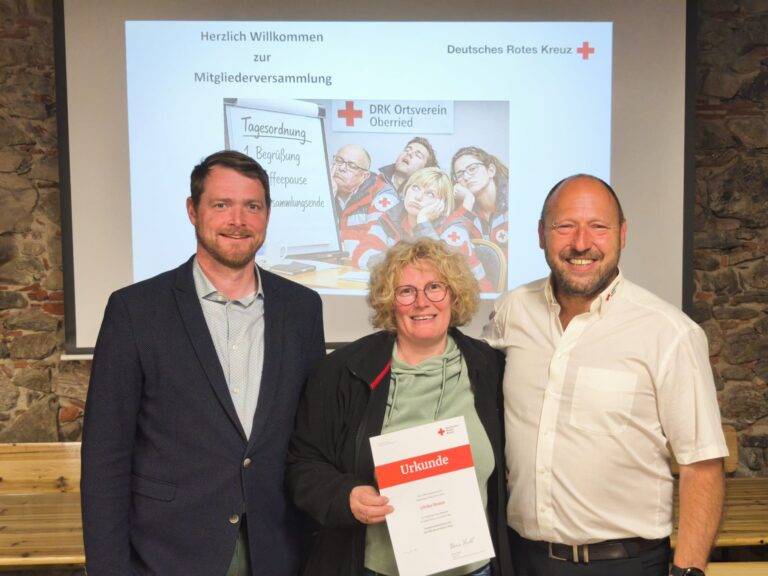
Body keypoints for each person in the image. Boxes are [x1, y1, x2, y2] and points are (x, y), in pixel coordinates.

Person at [81, 150, 326, 576]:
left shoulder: (302, 309)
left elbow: (311, 437)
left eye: (252, 206)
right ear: (192, 211)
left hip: (279, 548)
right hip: (167, 553)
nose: (238, 220)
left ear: (267, 214)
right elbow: (106, 455)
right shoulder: (135, 311)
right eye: (221, 204)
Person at [483, 174, 728, 576]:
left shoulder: (670, 334)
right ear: (542, 234)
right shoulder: (512, 311)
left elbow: (702, 466)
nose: (581, 243)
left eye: (598, 226)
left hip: (625, 565)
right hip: (520, 559)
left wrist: (688, 571)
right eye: (565, 226)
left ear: (622, 234)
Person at [286, 238, 513, 576]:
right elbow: (302, 465)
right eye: (406, 291)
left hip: (473, 569)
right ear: (390, 302)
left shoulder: (489, 367)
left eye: (435, 287)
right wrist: (344, 496)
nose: (422, 302)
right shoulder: (343, 371)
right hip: (377, 569)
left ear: (454, 295)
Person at [351, 167, 493, 292]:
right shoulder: (390, 218)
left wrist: (423, 223)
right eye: (415, 188)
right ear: (406, 190)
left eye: (430, 194)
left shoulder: (454, 228)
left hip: (470, 302)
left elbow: (443, 274)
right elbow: (361, 255)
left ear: (442, 205)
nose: (418, 197)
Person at [331, 144, 398, 257]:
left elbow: (377, 242)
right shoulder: (322, 187)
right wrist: (328, 196)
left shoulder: (382, 194)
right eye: (339, 160)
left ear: (365, 176)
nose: (341, 168)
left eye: (351, 166)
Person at [451, 146, 509, 255]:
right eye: (460, 174)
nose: (466, 177)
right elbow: (453, 247)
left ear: (491, 170)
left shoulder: (515, 202)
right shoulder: (464, 209)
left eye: (472, 169)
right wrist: (468, 200)